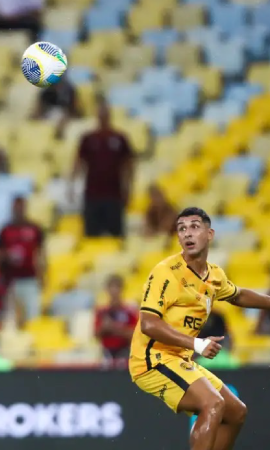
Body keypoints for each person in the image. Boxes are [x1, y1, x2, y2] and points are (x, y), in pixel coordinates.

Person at [126, 206, 270, 450]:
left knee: (236, 412)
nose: (187, 234)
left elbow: (238, 295)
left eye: (194, 227)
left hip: (179, 358)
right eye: (182, 229)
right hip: (151, 360)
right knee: (213, 403)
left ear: (210, 234)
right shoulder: (165, 272)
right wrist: (197, 344)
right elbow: (149, 324)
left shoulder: (214, 276)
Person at [69, 102, 134, 237]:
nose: (103, 117)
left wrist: (128, 189)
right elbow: (78, 162)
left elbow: (128, 166)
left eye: (105, 114)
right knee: (91, 236)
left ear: (109, 116)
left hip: (114, 195)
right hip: (93, 196)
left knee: (116, 236)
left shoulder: (119, 138)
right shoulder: (88, 138)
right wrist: (72, 185)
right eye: (100, 114)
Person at [0, 196, 44, 326]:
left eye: (21, 207)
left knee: (33, 316)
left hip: (30, 278)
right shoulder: (5, 230)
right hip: (10, 280)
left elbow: (40, 254)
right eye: (15, 207)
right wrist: (7, 255)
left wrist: (42, 276)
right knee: (11, 317)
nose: (18, 210)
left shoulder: (34, 229)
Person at [94, 274, 136, 369]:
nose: (114, 291)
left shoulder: (129, 311)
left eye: (117, 287)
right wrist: (104, 328)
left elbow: (134, 335)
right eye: (111, 287)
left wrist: (113, 327)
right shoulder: (101, 311)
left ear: (122, 289)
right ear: (107, 290)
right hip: (106, 352)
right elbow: (96, 334)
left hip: (125, 351)